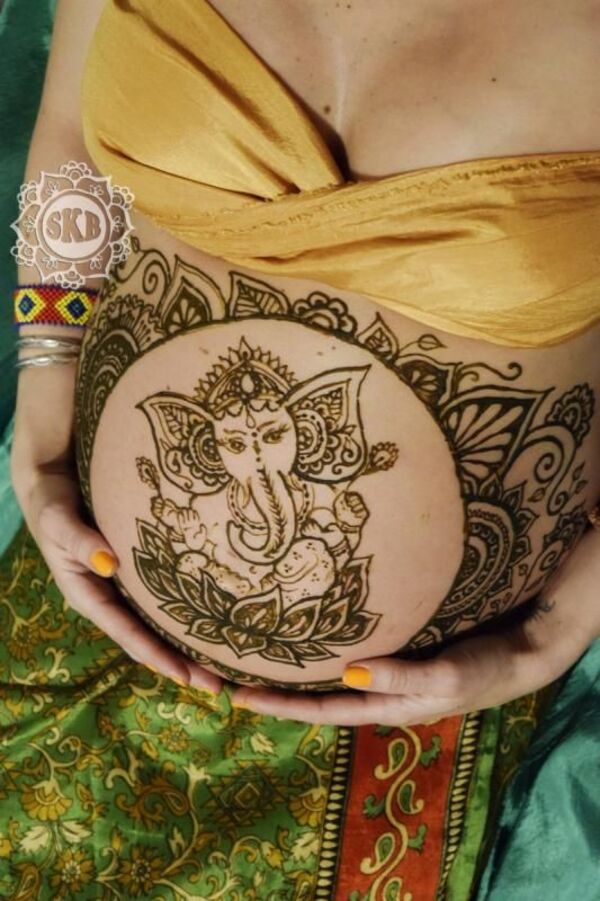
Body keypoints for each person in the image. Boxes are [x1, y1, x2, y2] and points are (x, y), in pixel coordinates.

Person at [5, 1, 600, 896]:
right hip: (82, 599)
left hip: (416, 728)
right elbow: (72, 156)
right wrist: (45, 404)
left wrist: (555, 633)